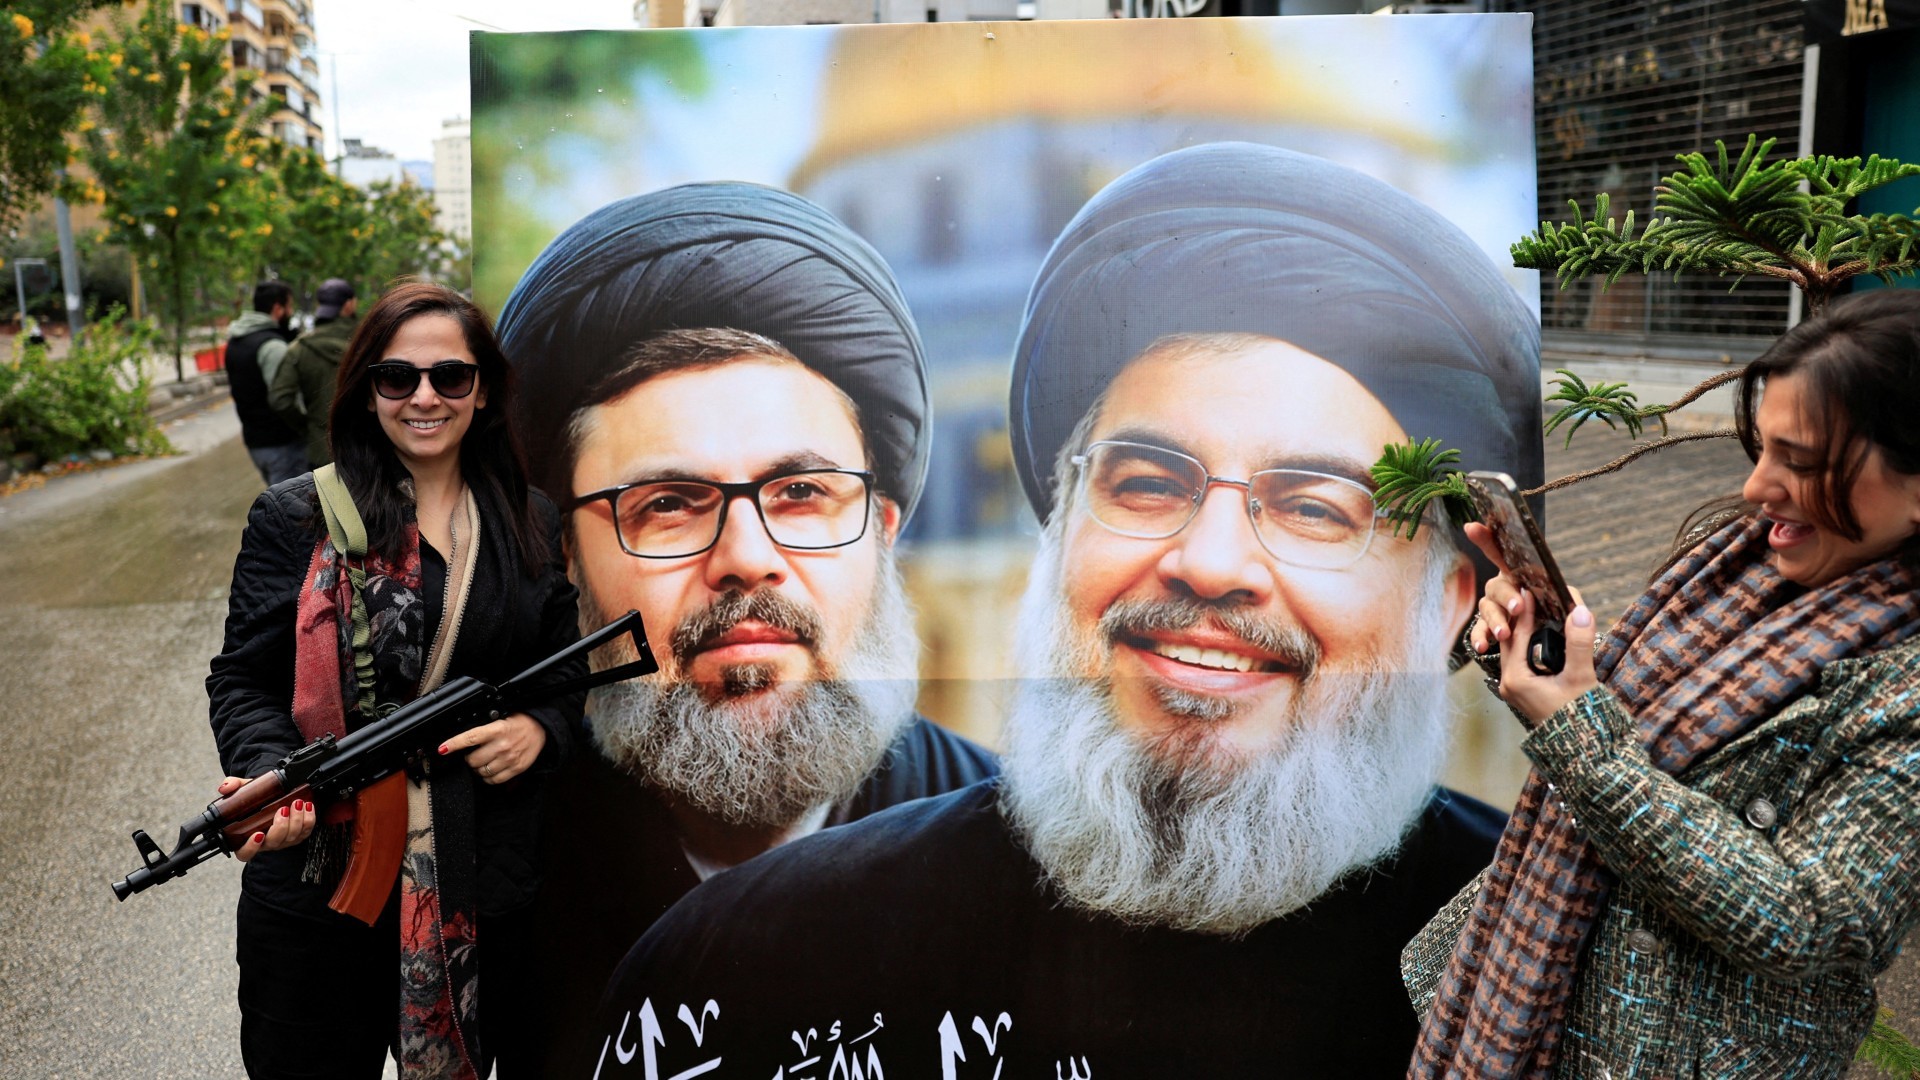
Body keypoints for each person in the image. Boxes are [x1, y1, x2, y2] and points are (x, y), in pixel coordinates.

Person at [583, 143, 1536, 1077]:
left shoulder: (1552, 955)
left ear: (1453, 598)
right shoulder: (745, 963)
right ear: (1060, 529)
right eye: (1149, 484)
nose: (1207, 564)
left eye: (1314, 508)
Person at [490, 183, 997, 1078]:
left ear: (881, 529)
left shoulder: (1022, 864)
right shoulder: (492, 864)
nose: (746, 557)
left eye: (801, 493)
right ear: (568, 554)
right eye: (667, 506)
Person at [1407, 288, 1920, 1079]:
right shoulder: (1741, 563)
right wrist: (1544, 645)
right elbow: (1665, 721)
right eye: (1761, 449)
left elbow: (1817, 923)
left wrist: (1582, 741)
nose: (1756, 490)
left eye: (1803, 463)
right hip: (1544, 1002)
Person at [206, 282, 585, 1079]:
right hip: (317, 894)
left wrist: (539, 727)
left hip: (483, 880)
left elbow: (565, 667)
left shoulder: (529, 519)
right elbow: (243, 677)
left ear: (482, 391)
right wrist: (280, 781)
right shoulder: (296, 516)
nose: (424, 397)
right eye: (397, 378)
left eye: (450, 376)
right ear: (366, 390)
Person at [269, 277, 359, 468]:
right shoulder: (370, 342)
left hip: (322, 451)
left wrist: (308, 427)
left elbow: (280, 399)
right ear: (350, 305)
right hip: (370, 448)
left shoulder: (299, 349)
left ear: (320, 305)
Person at [226, 281, 305, 486]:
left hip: (255, 443)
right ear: (278, 309)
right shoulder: (272, 346)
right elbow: (284, 399)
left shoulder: (236, 340)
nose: (291, 311)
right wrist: (306, 426)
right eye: (289, 306)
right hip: (283, 445)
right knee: (294, 512)